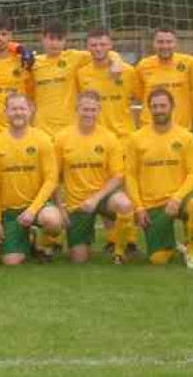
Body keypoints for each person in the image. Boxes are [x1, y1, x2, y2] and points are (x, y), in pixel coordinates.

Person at [125, 88, 193, 269]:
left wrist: (177, 197)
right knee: (158, 260)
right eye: (154, 106)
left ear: (172, 107)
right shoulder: (136, 138)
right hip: (152, 203)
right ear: (149, 109)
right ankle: (172, 245)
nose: (159, 110)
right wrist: (139, 206)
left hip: (178, 199)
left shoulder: (186, 136)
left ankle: (191, 249)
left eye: (163, 105)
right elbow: (131, 175)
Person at [75, 29, 142, 253]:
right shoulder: (82, 73)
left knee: (125, 190)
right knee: (102, 187)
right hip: (96, 139)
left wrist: (117, 60)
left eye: (103, 44)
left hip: (124, 139)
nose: (98, 49)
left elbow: (143, 95)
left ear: (110, 45)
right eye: (93, 45)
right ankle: (113, 238)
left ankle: (130, 239)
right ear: (88, 47)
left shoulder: (128, 72)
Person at [54, 91, 134, 264]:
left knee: (124, 204)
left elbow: (118, 176)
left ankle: (119, 252)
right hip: (77, 203)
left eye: (93, 110)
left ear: (99, 111)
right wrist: (60, 207)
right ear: (77, 109)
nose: (89, 114)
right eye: (85, 109)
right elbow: (53, 177)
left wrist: (95, 198)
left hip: (103, 197)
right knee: (79, 260)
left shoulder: (109, 138)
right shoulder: (62, 138)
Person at [0, 93, 62, 265]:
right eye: (13, 109)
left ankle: (42, 241)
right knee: (11, 262)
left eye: (22, 108)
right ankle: (29, 240)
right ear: (6, 112)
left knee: (54, 221)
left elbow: (51, 179)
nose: (18, 113)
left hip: (37, 207)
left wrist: (33, 210)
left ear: (30, 111)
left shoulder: (43, 140)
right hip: (10, 212)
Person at [29, 19, 124, 137]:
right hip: (42, 127)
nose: (55, 43)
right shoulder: (33, 63)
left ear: (65, 41)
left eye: (59, 39)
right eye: (51, 39)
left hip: (69, 126)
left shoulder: (74, 57)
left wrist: (117, 61)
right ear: (43, 39)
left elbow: (101, 52)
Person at [135, 28, 193, 131]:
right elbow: (139, 96)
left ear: (176, 44)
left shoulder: (189, 63)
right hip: (150, 128)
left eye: (169, 42)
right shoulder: (143, 66)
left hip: (181, 128)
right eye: (160, 42)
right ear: (154, 44)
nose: (165, 46)